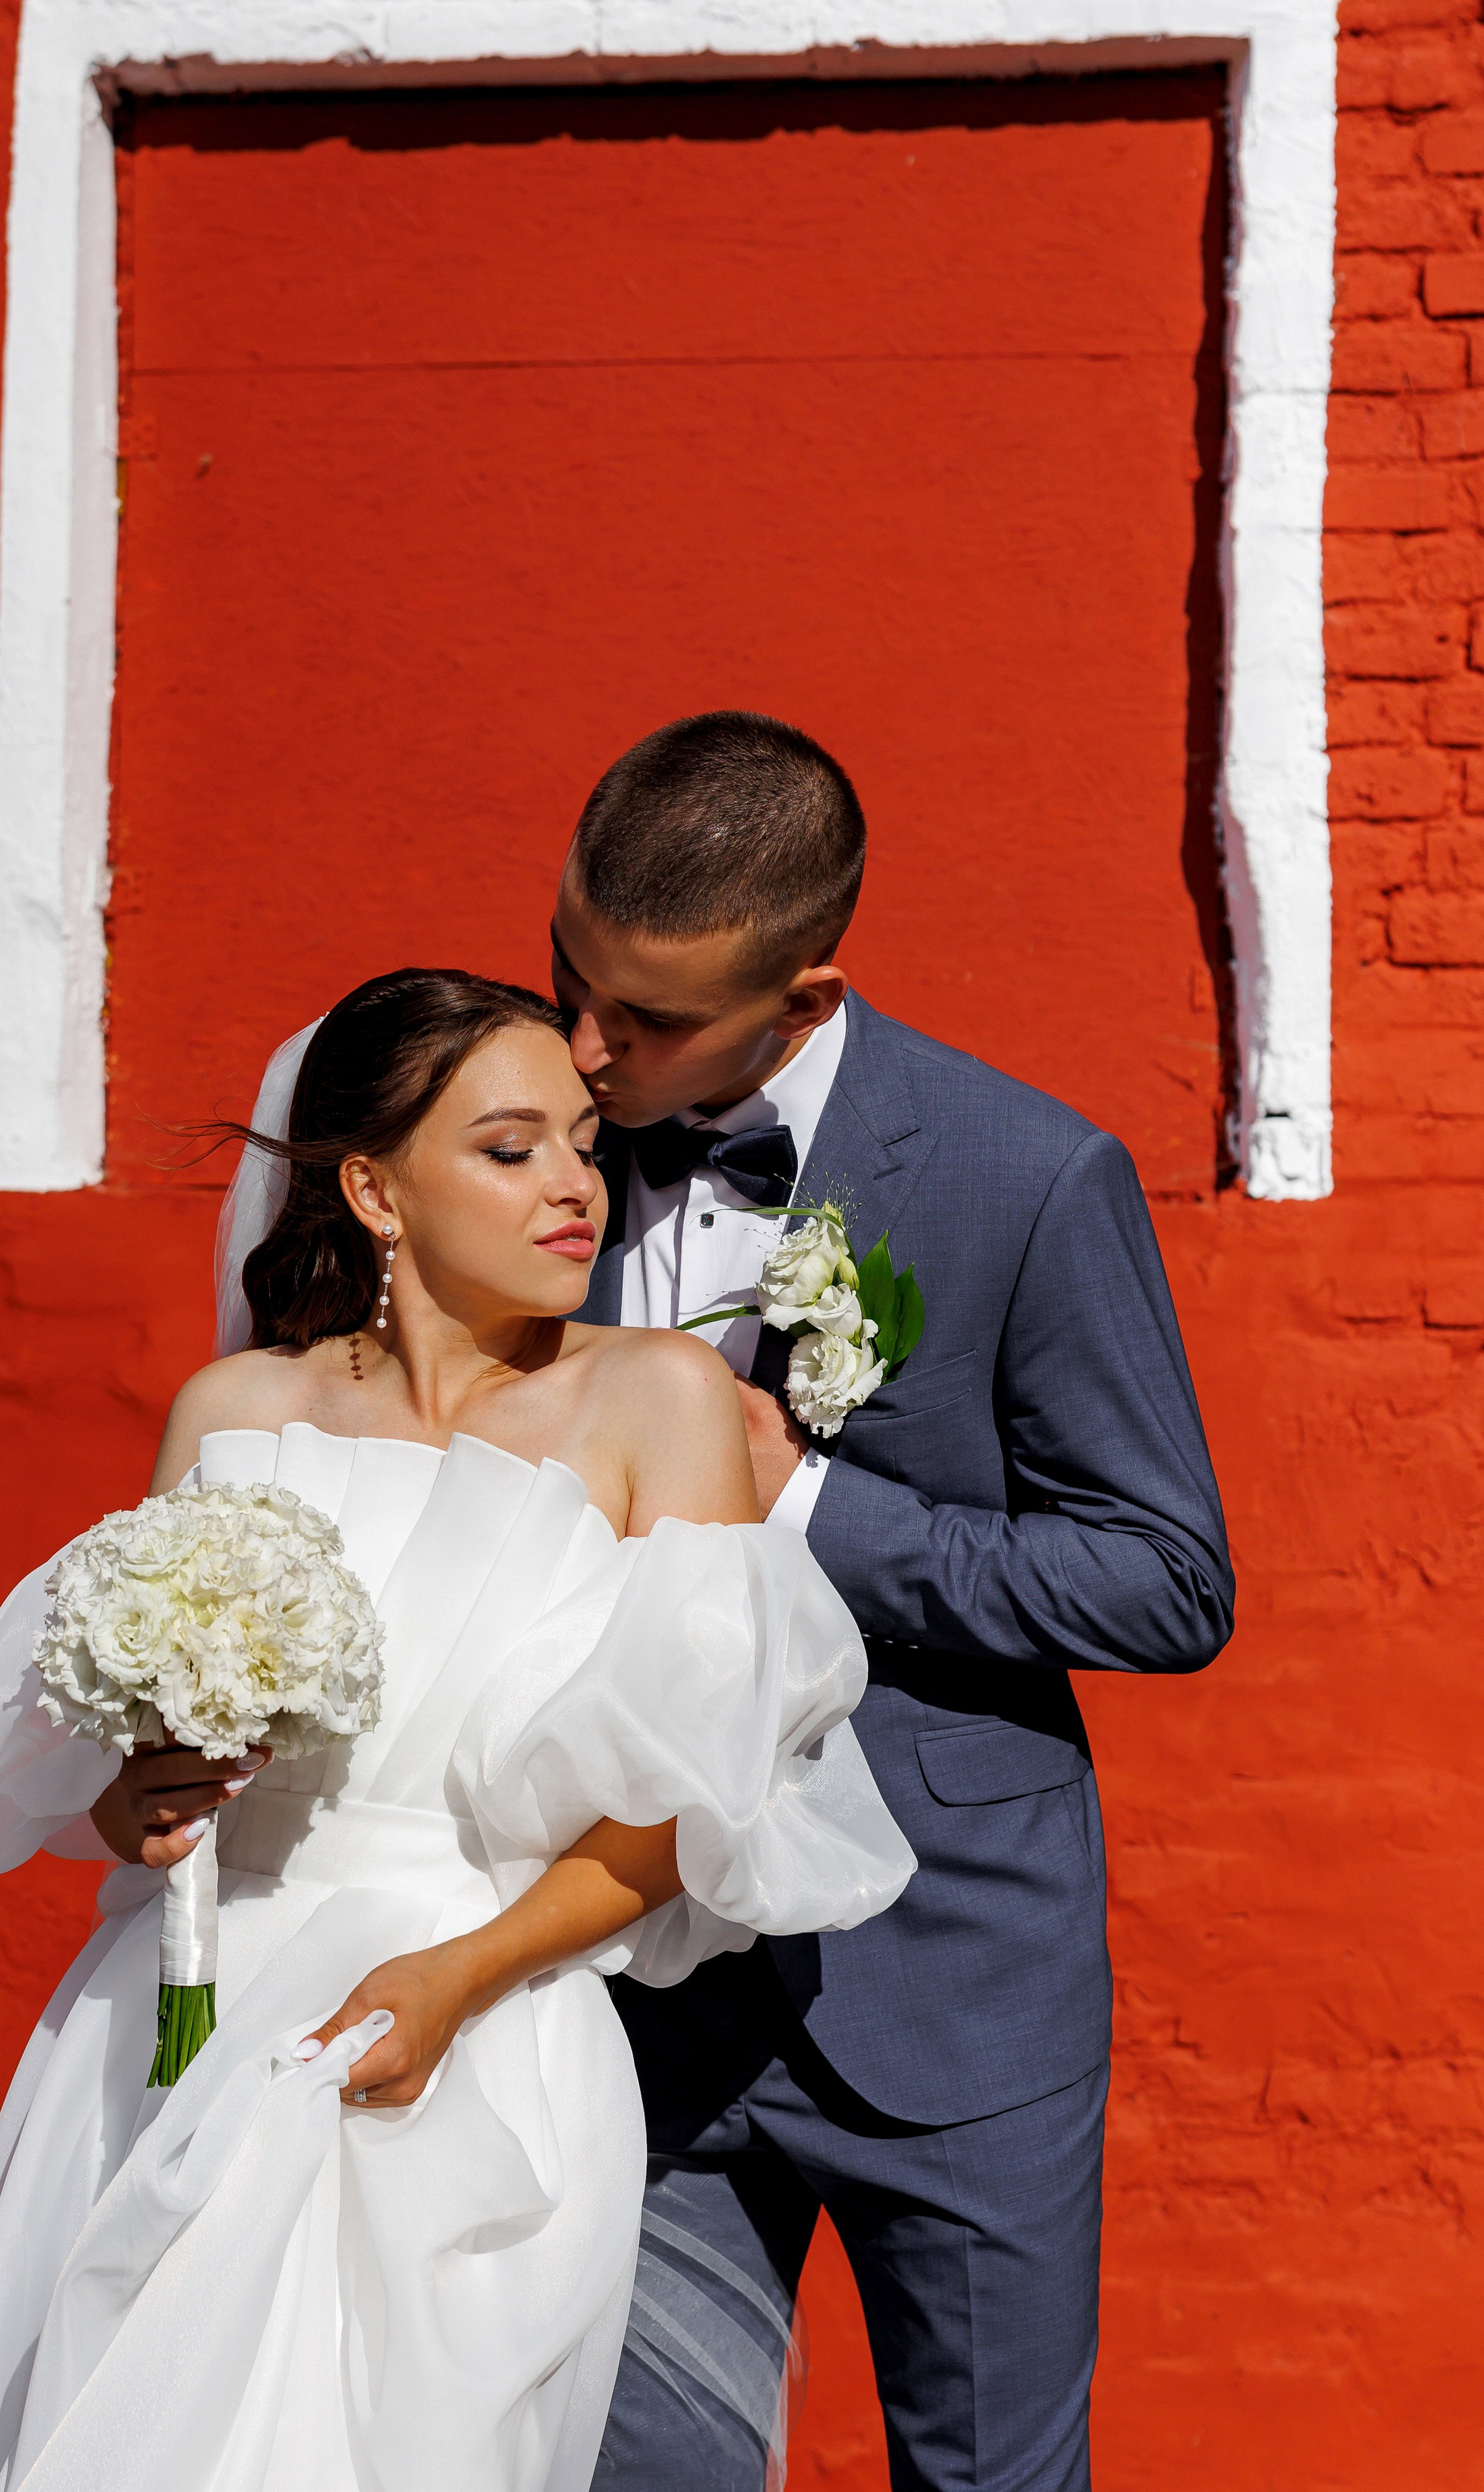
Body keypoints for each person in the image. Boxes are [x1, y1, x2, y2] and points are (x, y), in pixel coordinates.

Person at [0, 970, 914, 2492]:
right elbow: (123, 1778)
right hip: (177, 2018)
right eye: (511, 1150)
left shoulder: (654, 1400)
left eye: (580, 1141)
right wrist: (144, 1803)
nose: (573, 1184)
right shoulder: (232, 1409)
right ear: (372, 1187)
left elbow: (686, 1819)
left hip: (469, 2042)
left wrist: (452, 1980)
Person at [553, 713, 1237, 2492]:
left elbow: (1167, 1580)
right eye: (575, 982)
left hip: (952, 1985)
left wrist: (814, 1504)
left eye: (647, 1022)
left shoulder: (1028, 1178)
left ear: (806, 988)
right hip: (625, 1969)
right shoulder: (528, 1150)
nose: (583, 1048)